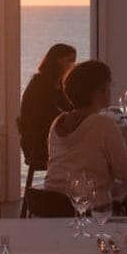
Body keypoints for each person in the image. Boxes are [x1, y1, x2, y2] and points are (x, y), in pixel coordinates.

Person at [44, 60, 127, 200]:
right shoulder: (103, 125)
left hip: (51, 206)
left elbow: (78, 163)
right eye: (109, 86)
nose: (110, 90)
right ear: (99, 91)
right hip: (89, 209)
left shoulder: (57, 123)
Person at [18, 43, 77, 171]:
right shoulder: (40, 84)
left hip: (47, 140)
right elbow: (49, 115)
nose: (73, 65)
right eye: (70, 60)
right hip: (38, 145)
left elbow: (67, 109)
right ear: (58, 60)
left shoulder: (56, 84)